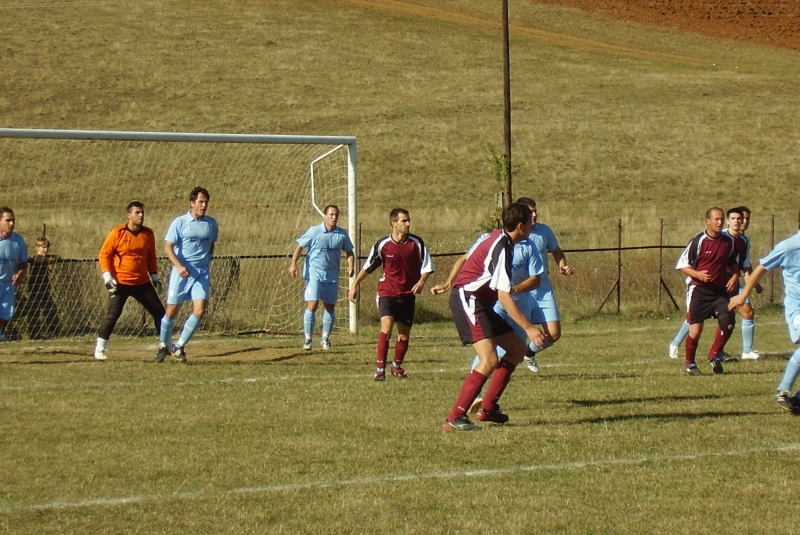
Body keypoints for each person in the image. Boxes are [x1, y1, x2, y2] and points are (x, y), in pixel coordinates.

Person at [431, 202, 547, 431]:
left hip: (478, 301)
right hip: (469, 300)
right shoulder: (502, 246)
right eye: (530, 221)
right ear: (521, 226)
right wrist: (529, 328)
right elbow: (504, 296)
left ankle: (488, 408)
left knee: (516, 350)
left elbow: (469, 260)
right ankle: (455, 417)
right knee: (489, 359)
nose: (534, 224)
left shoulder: (498, 237)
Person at [348, 208, 435, 381]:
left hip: (408, 295)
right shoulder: (383, 244)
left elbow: (427, 267)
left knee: (403, 335)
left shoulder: (416, 244)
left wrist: (421, 282)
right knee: (386, 328)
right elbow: (368, 267)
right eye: (404, 221)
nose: (408, 224)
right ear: (393, 223)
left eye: (409, 220)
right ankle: (380, 369)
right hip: (387, 292)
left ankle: (396, 366)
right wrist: (355, 284)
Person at [668, 206, 763, 360]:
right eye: (736, 218)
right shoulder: (717, 237)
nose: (741, 222)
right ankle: (676, 343)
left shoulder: (743, 241)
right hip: (705, 286)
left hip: (728, 284)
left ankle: (741, 351)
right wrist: (698, 275)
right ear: (729, 221)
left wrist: (746, 281)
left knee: (741, 313)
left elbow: (743, 264)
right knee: (695, 320)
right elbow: (684, 264)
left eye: (745, 219)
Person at [730, 212, 800, 412]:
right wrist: (743, 295)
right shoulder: (789, 247)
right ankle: (784, 391)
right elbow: (761, 268)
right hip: (797, 307)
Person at [94, 201, 165, 360]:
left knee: (160, 312)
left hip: (141, 282)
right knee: (113, 313)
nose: (141, 215)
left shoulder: (148, 233)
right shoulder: (118, 232)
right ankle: (100, 348)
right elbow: (104, 253)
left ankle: (164, 345)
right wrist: (107, 275)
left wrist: (154, 275)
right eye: (137, 213)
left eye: (142, 213)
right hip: (121, 281)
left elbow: (151, 255)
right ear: (129, 215)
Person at [675, 207, 739, 375]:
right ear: (708, 221)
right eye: (716, 219)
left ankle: (715, 354)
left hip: (721, 291)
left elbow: (733, 262)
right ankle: (690, 363)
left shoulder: (728, 241)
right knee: (695, 331)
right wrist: (697, 275)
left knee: (729, 324)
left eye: (721, 219)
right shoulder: (699, 240)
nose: (719, 222)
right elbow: (681, 265)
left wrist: (734, 276)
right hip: (699, 290)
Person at [157, 187, 218, 363]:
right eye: (200, 202)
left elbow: (211, 244)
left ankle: (180, 346)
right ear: (192, 203)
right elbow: (168, 247)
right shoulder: (180, 222)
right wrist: (178, 266)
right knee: (171, 310)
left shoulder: (211, 223)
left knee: (200, 310)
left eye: (206, 202)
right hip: (182, 271)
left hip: (201, 272)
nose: (204, 205)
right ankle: (163, 345)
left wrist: (206, 261)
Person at [519, 197, 573, 372]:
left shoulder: (544, 231)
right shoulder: (514, 234)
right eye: (530, 211)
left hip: (543, 290)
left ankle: (529, 352)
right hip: (520, 291)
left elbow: (556, 251)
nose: (535, 214)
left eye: (536, 211)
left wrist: (562, 265)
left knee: (554, 334)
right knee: (512, 336)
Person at [289, 204, 355, 351]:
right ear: (325, 216)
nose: (334, 217)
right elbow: (299, 247)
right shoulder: (314, 231)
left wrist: (351, 265)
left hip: (332, 275)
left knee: (330, 306)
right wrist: (293, 264)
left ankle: (325, 338)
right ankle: (308, 339)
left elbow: (350, 252)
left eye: (336, 215)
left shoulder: (342, 234)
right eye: (331, 214)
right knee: (312, 304)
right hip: (314, 273)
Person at [0, 207, 28, 342]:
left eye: (13, 220)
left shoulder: (18, 241)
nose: (11, 223)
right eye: (8, 220)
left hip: (8, 283)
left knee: (6, 312)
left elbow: (23, 263)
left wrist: (19, 274)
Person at [25, 236, 60, 339]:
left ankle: (54, 332)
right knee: (34, 311)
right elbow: (38, 260)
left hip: (45, 289)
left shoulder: (47, 258)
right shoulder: (35, 259)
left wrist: (52, 259)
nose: (45, 249)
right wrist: (47, 260)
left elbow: (58, 257)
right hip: (35, 289)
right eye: (43, 247)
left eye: (47, 247)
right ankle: (34, 334)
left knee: (51, 309)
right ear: (37, 248)